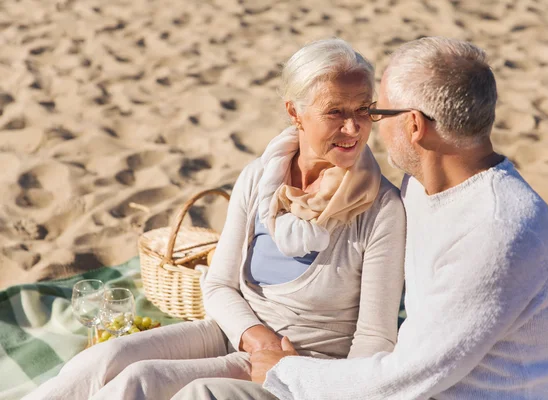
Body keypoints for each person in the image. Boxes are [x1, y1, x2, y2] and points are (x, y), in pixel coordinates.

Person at [179, 36, 548, 399]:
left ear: (412, 125)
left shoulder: (495, 231)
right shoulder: (425, 188)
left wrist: (286, 372)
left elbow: (404, 378)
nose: (362, 127)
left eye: (376, 111)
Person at [23, 38, 406, 400]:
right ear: (295, 112)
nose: (354, 128)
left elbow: (375, 339)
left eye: (364, 110)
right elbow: (219, 286)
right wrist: (256, 337)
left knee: (144, 380)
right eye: (336, 111)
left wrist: (300, 376)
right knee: (104, 359)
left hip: (307, 361)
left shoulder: (381, 209)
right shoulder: (260, 177)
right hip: (237, 333)